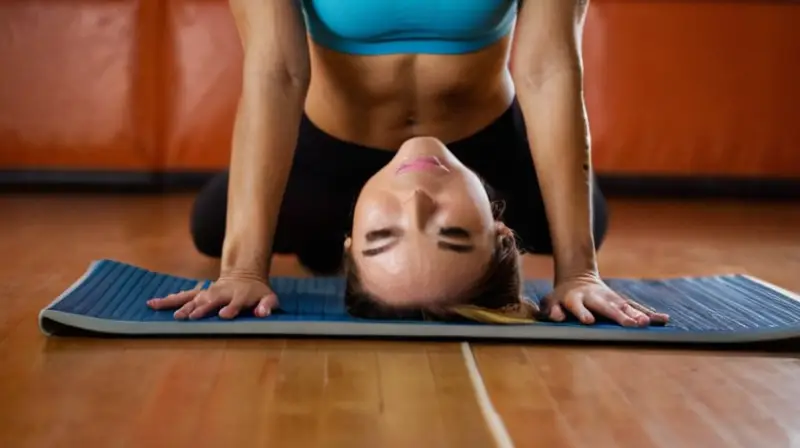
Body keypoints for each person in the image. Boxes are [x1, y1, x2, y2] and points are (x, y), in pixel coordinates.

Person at [147, 0, 670, 327]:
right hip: (334, 140)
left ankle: (359, 240)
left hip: (477, 153)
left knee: (586, 225)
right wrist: (243, 269)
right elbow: (277, 72)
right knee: (214, 225)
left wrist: (578, 271)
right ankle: (344, 241)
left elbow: (547, 69)